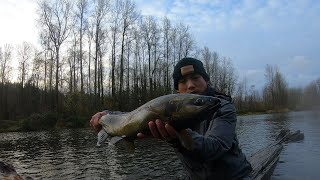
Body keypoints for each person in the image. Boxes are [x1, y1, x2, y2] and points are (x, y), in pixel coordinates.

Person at [90, 57, 252, 179]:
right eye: (182, 81)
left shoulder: (223, 106)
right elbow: (133, 114)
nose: (190, 85)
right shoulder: (169, 107)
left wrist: (177, 138)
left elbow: (214, 148)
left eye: (196, 78)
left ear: (206, 80)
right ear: (178, 91)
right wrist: (105, 115)